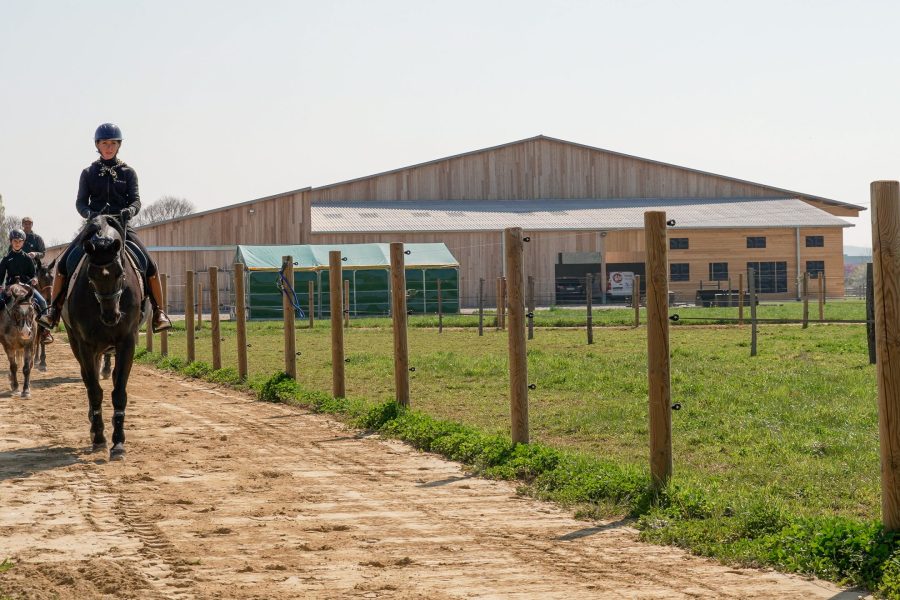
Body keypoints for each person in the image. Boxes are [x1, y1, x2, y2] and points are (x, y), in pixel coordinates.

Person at [38, 123, 172, 332]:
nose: (108, 147)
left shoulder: (128, 172)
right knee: (64, 264)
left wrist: (130, 210)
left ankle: (159, 312)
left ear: (119, 145)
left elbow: (136, 200)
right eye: (104, 143)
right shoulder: (88, 172)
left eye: (113, 143)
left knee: (151, 265)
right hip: (94, 227)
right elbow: (80, 203)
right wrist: (89, 214)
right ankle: (52, 311)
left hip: (122, 227)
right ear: (97, 145)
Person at [0, 229, 52, 343]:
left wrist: (34, 279)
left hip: (27, 287)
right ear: (11, 242)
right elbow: (1, 276)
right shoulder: (6, 259)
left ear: (23, 242)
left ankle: (46, 331)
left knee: (42, 302)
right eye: (15, 241)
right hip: (11, 287)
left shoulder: (28, 258)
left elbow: (33, 274)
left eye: (20, 241)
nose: (17, 243)